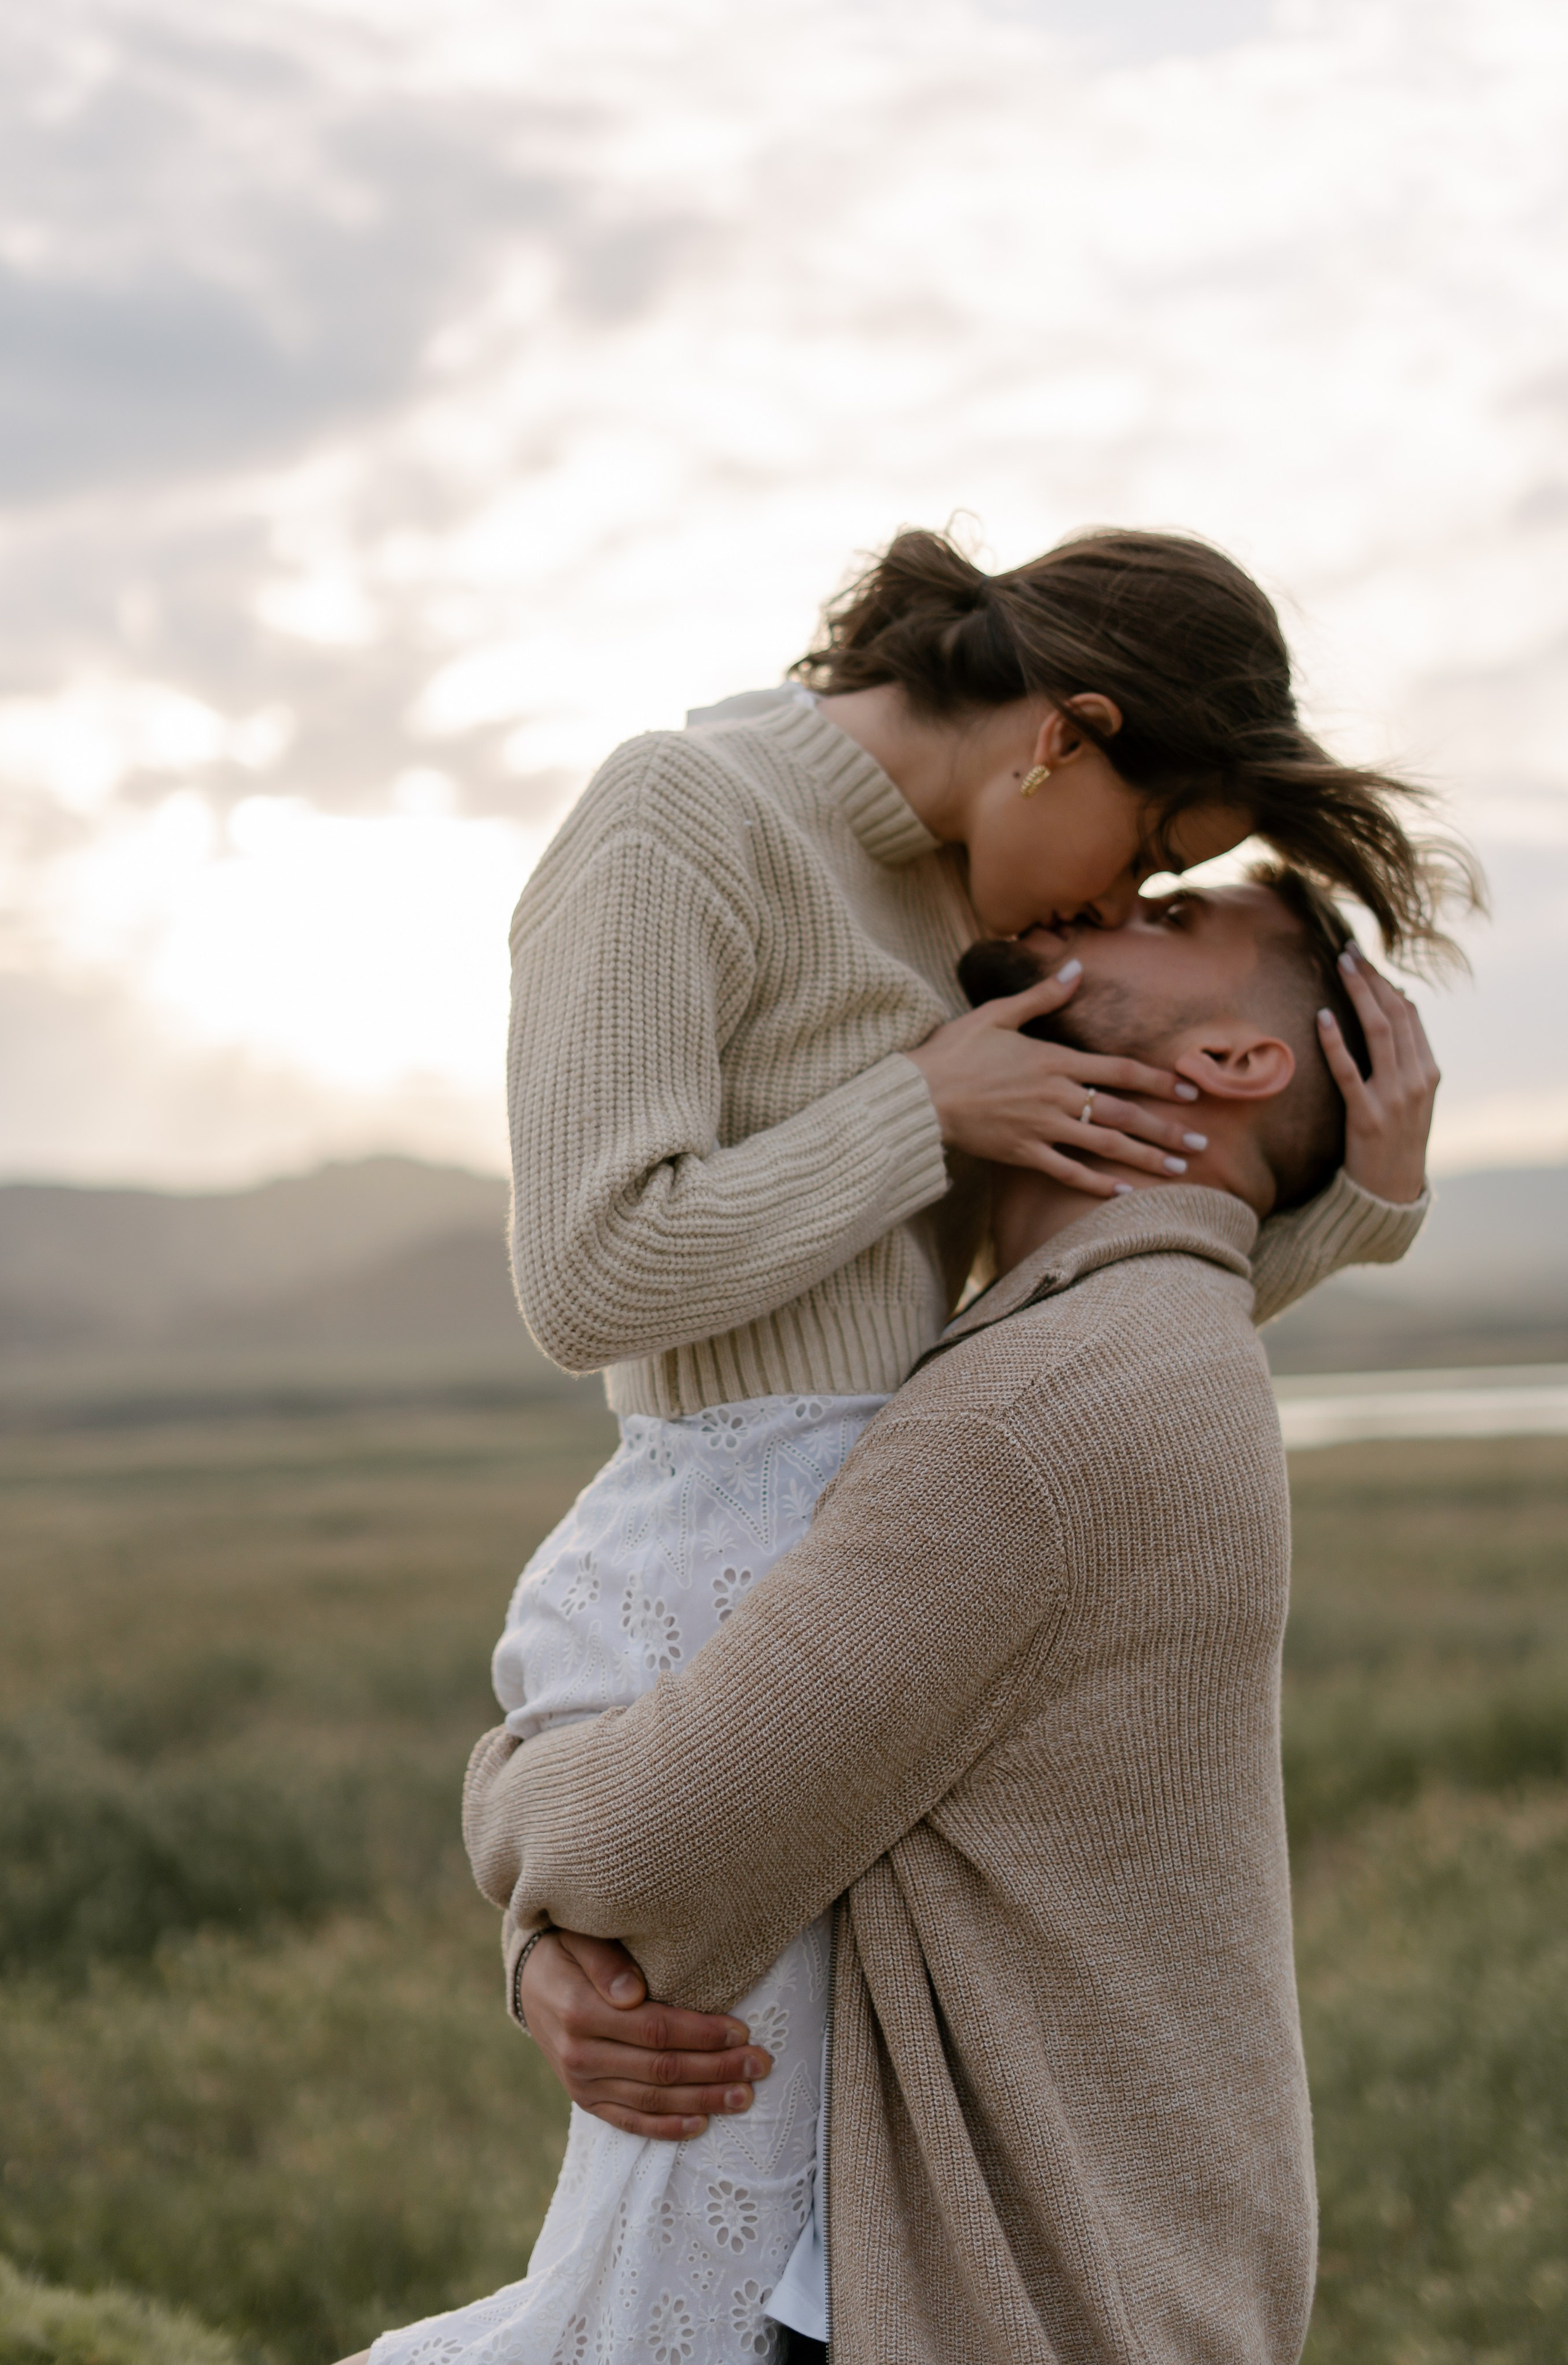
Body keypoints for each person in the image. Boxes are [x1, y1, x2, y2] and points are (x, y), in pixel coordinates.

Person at [349, 525, 1466, 2365]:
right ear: (1064, 737)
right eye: (1161, 856)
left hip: (870, 1551)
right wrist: (919, 1104)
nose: (1102, 906)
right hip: (725, 1539)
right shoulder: (675, 820)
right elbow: (587, 1275)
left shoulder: (962, 907)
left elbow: (1086, 1343)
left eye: (1164, 897)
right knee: (664, 2251)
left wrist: (1360, 1200)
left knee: (687, 2242)